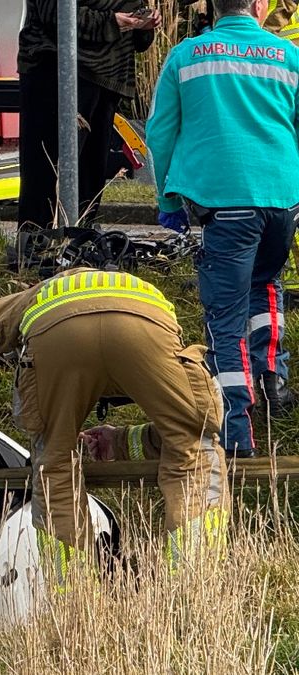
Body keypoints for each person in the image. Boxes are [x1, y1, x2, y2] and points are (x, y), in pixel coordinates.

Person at [0, 269, 229, 584]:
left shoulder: (32, 298)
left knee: (55, 467)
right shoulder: (137, 288)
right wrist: (124, 441)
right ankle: (195, 582)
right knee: (193, 448)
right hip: (143, 329)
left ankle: (73, 591)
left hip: (55, 337)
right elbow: (192, 424)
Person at [146, 0, 299, 458]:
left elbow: (159, 132)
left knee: (225, 316)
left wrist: (167, 199)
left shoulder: (187, 56)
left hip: (223, 201)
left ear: (214, 7)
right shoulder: (288, 56)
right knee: (266, 285)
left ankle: (235, 430)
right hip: (282, 198)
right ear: (257, 6)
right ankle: (273, 379)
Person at [14, 1, 160, 265]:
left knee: (91, 170)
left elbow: (138, 41)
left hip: (108, 77)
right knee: (48, 168)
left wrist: (145, 25)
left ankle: (81, 246)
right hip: (57, 68)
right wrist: (113, 23)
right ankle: (35, 252)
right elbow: (53, 12)